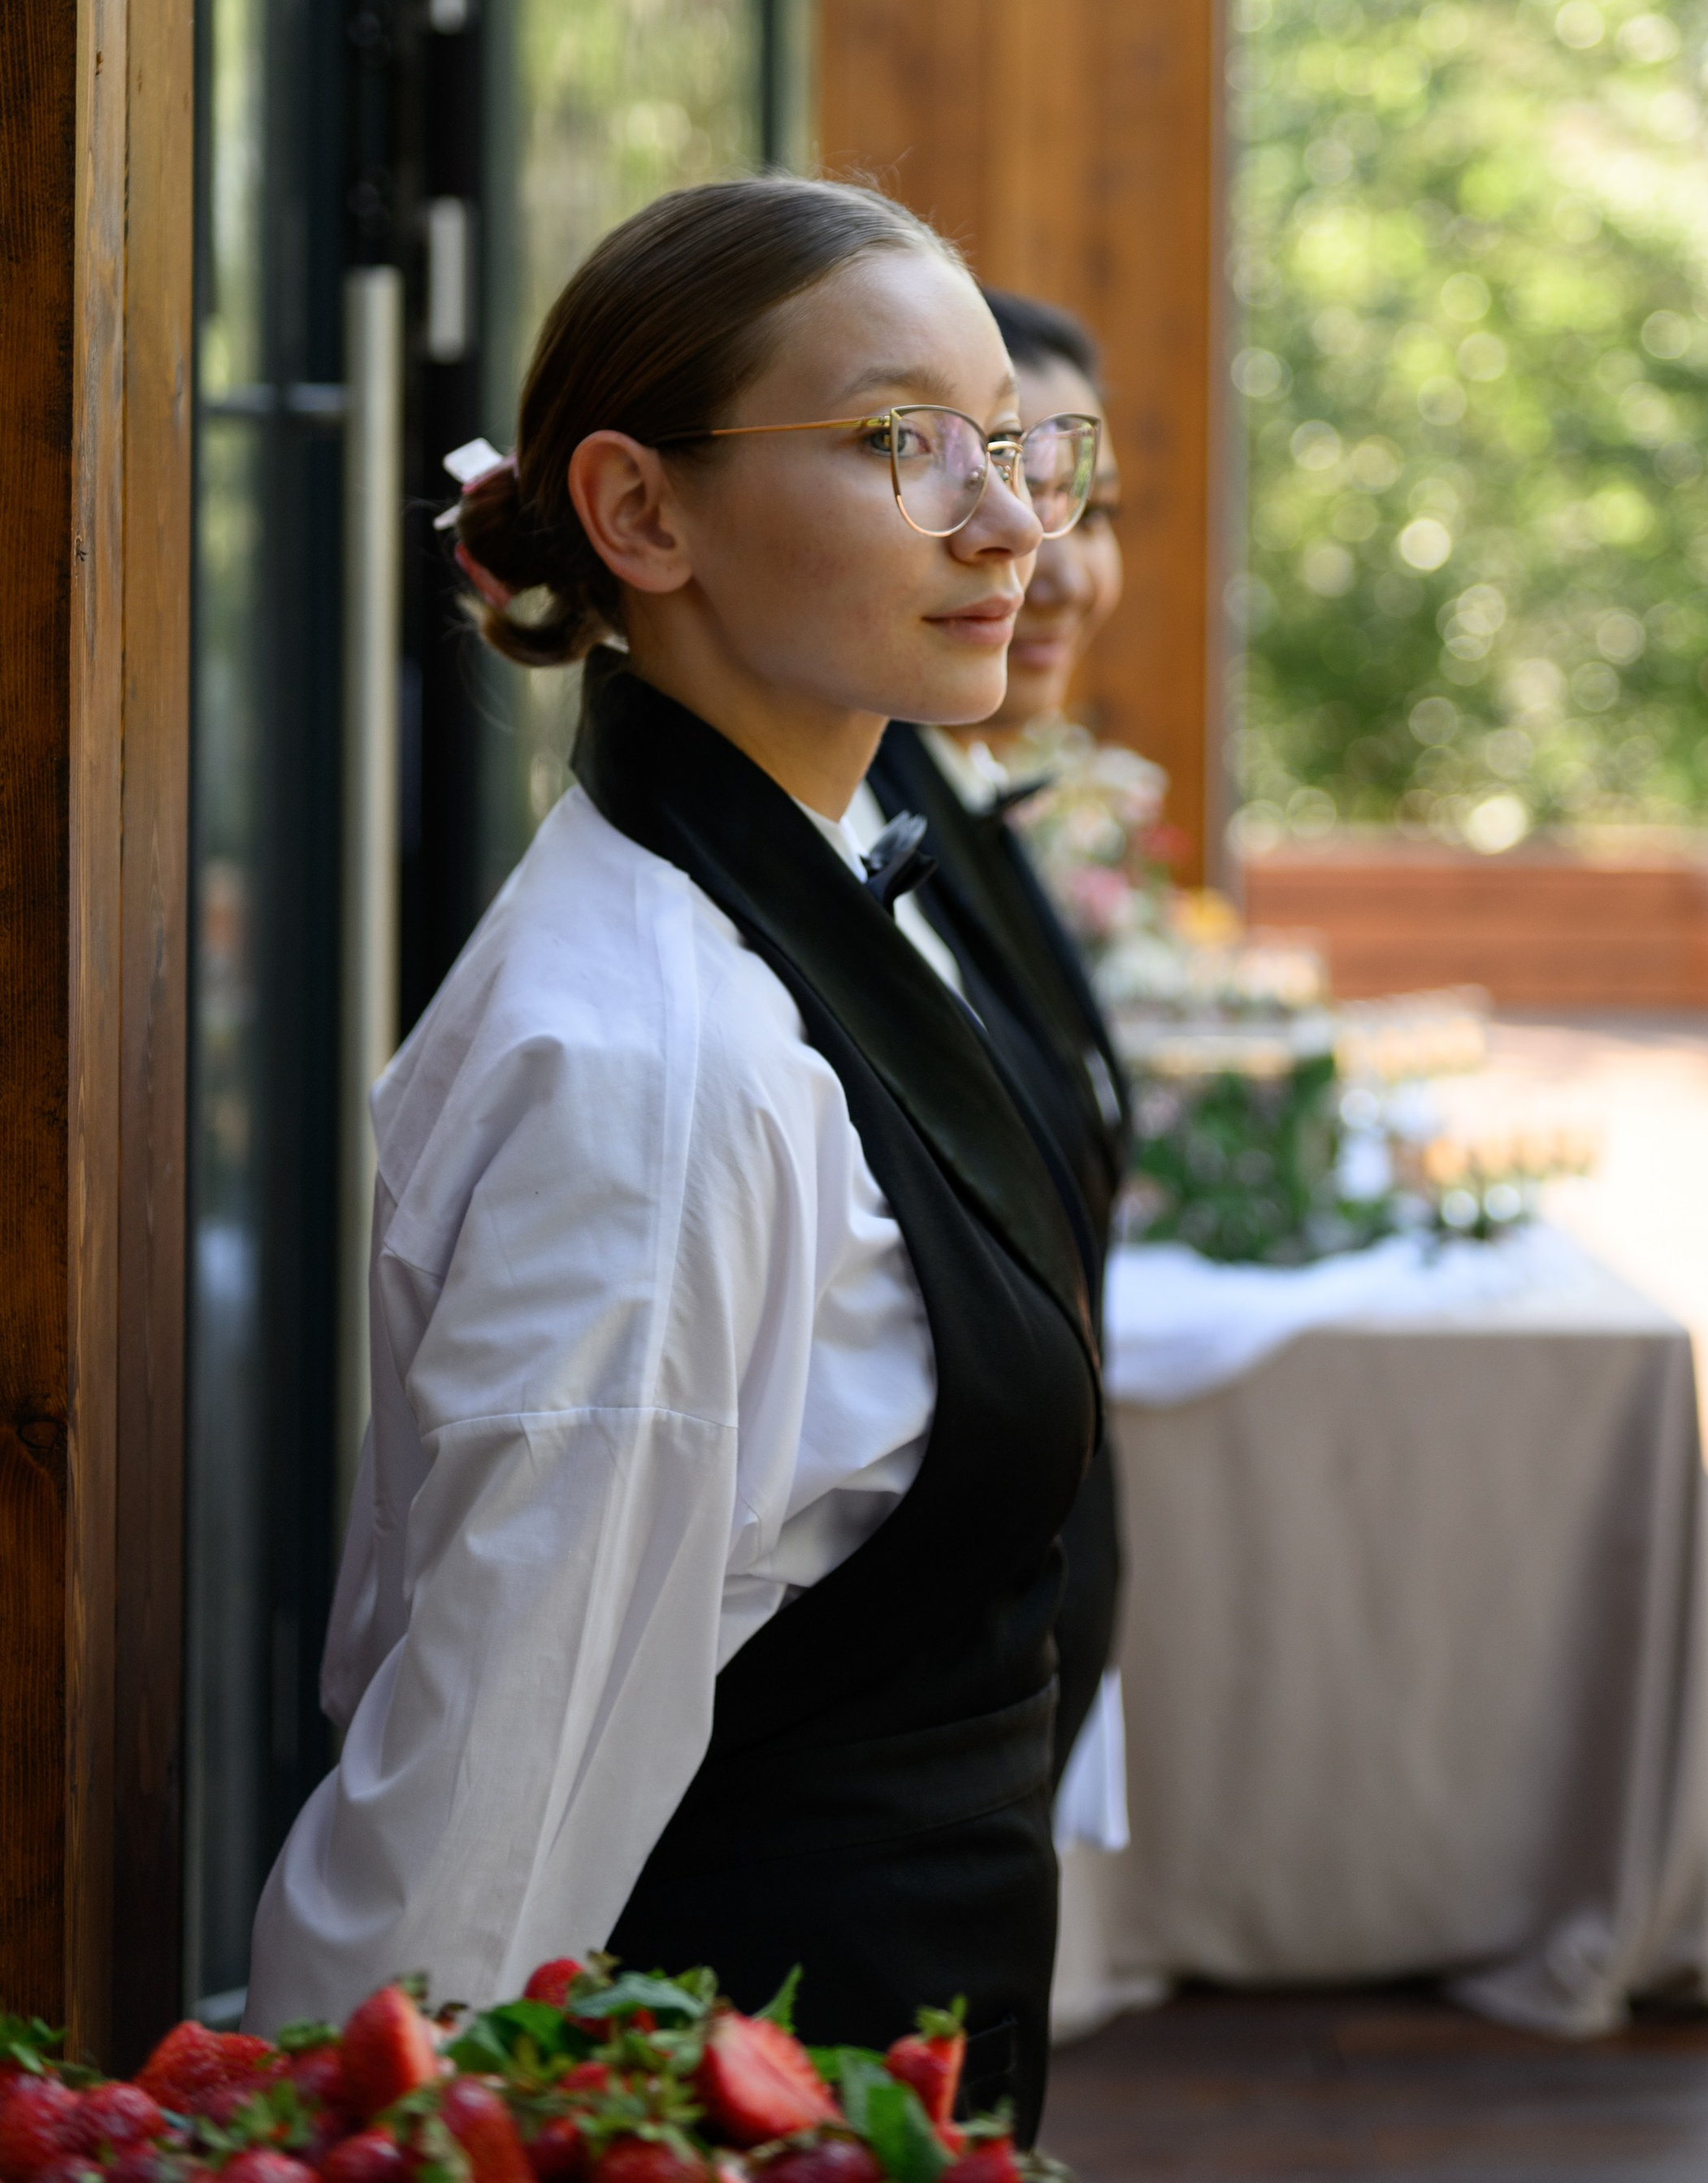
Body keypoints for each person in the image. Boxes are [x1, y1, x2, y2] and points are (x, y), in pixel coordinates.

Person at [246, 177, 1108, 2142]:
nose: (1007, 521)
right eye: (900, 443)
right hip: (705, 2104)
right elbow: (483, 1784)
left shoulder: (780, 921)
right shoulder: (660, 1073)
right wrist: (327, 2126)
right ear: (643, 515)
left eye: (1019, 442)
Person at [854, 293, 1132, 1815]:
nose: (1047, 549)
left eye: (1082, 490)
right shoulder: (856, 845)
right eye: (969, 467)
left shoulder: (954, 796)